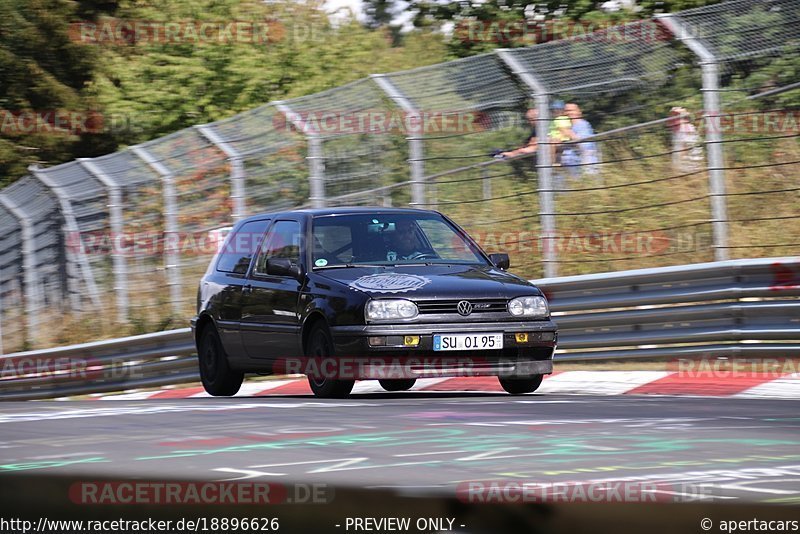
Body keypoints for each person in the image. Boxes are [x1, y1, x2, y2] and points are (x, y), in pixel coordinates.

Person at [561, 102, 599, 178]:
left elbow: (584, 147)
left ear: (579, 112)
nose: (568, 113)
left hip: (584, 168)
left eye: (571, 110)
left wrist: (570, 134)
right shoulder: (568, 127)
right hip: (571, 171)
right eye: (566, 111)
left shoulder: (582, 125)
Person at [669, 106, 704, 173]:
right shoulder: (677, 121)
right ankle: (683, 170)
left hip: (688, 138)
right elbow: (673, 111)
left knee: (691, 155)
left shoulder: (688, 124)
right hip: (682, 138)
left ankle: (691, 170)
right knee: (681, 155)